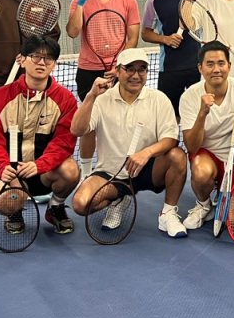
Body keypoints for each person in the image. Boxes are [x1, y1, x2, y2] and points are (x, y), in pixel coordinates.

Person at [69, 48, 189, 238]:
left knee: (177, 156)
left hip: (148, 170)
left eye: (142, 69)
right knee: (81, 204)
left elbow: (171, 138)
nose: (136, 75)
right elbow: (77, 130)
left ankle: (168, 214)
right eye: (129, 69)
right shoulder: (101, 99)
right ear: (117, 71)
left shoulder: (159, 99)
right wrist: (91, 96)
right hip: (111, 173)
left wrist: (146, 153)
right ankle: (119, 197)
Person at [0, 35, 80, 235]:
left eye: (48, 58)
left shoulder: (66, 99)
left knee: (70, 171)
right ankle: (14, 212)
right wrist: (2, 167)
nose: (42, 62)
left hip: (44, 172)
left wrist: (40, 165)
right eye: (35, 56)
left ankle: (55, 207)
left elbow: (63, 143)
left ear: (54, 65)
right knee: (5, 202)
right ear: (22, 60)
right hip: (11, 173)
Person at [66, 0, 140, 176]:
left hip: (120, 72)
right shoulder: (79, 0)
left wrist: (120, 67)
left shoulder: (128, 1)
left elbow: (133, 38)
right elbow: (72, 32)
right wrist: (81, 3)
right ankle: (87, 173)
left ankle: (118, 168)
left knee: (119, 122)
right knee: (89, 124)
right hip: (88, 70)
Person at [179, 41, 234, 229]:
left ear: (229, 66)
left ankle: (223, 191)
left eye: (221, 63)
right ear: (200, 68)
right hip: (206, 156)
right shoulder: (189, 97)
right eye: (210, 64)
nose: (216, 69)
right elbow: (191, 146)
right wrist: (202, 113)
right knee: (201, 172)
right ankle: (204, 205)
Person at [141, 0, 199, 116]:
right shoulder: (154, 0)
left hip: (199, 67)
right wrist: (165, 39)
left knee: (200, 116)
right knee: (170, 119)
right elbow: (145, 33)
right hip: (169, 70)